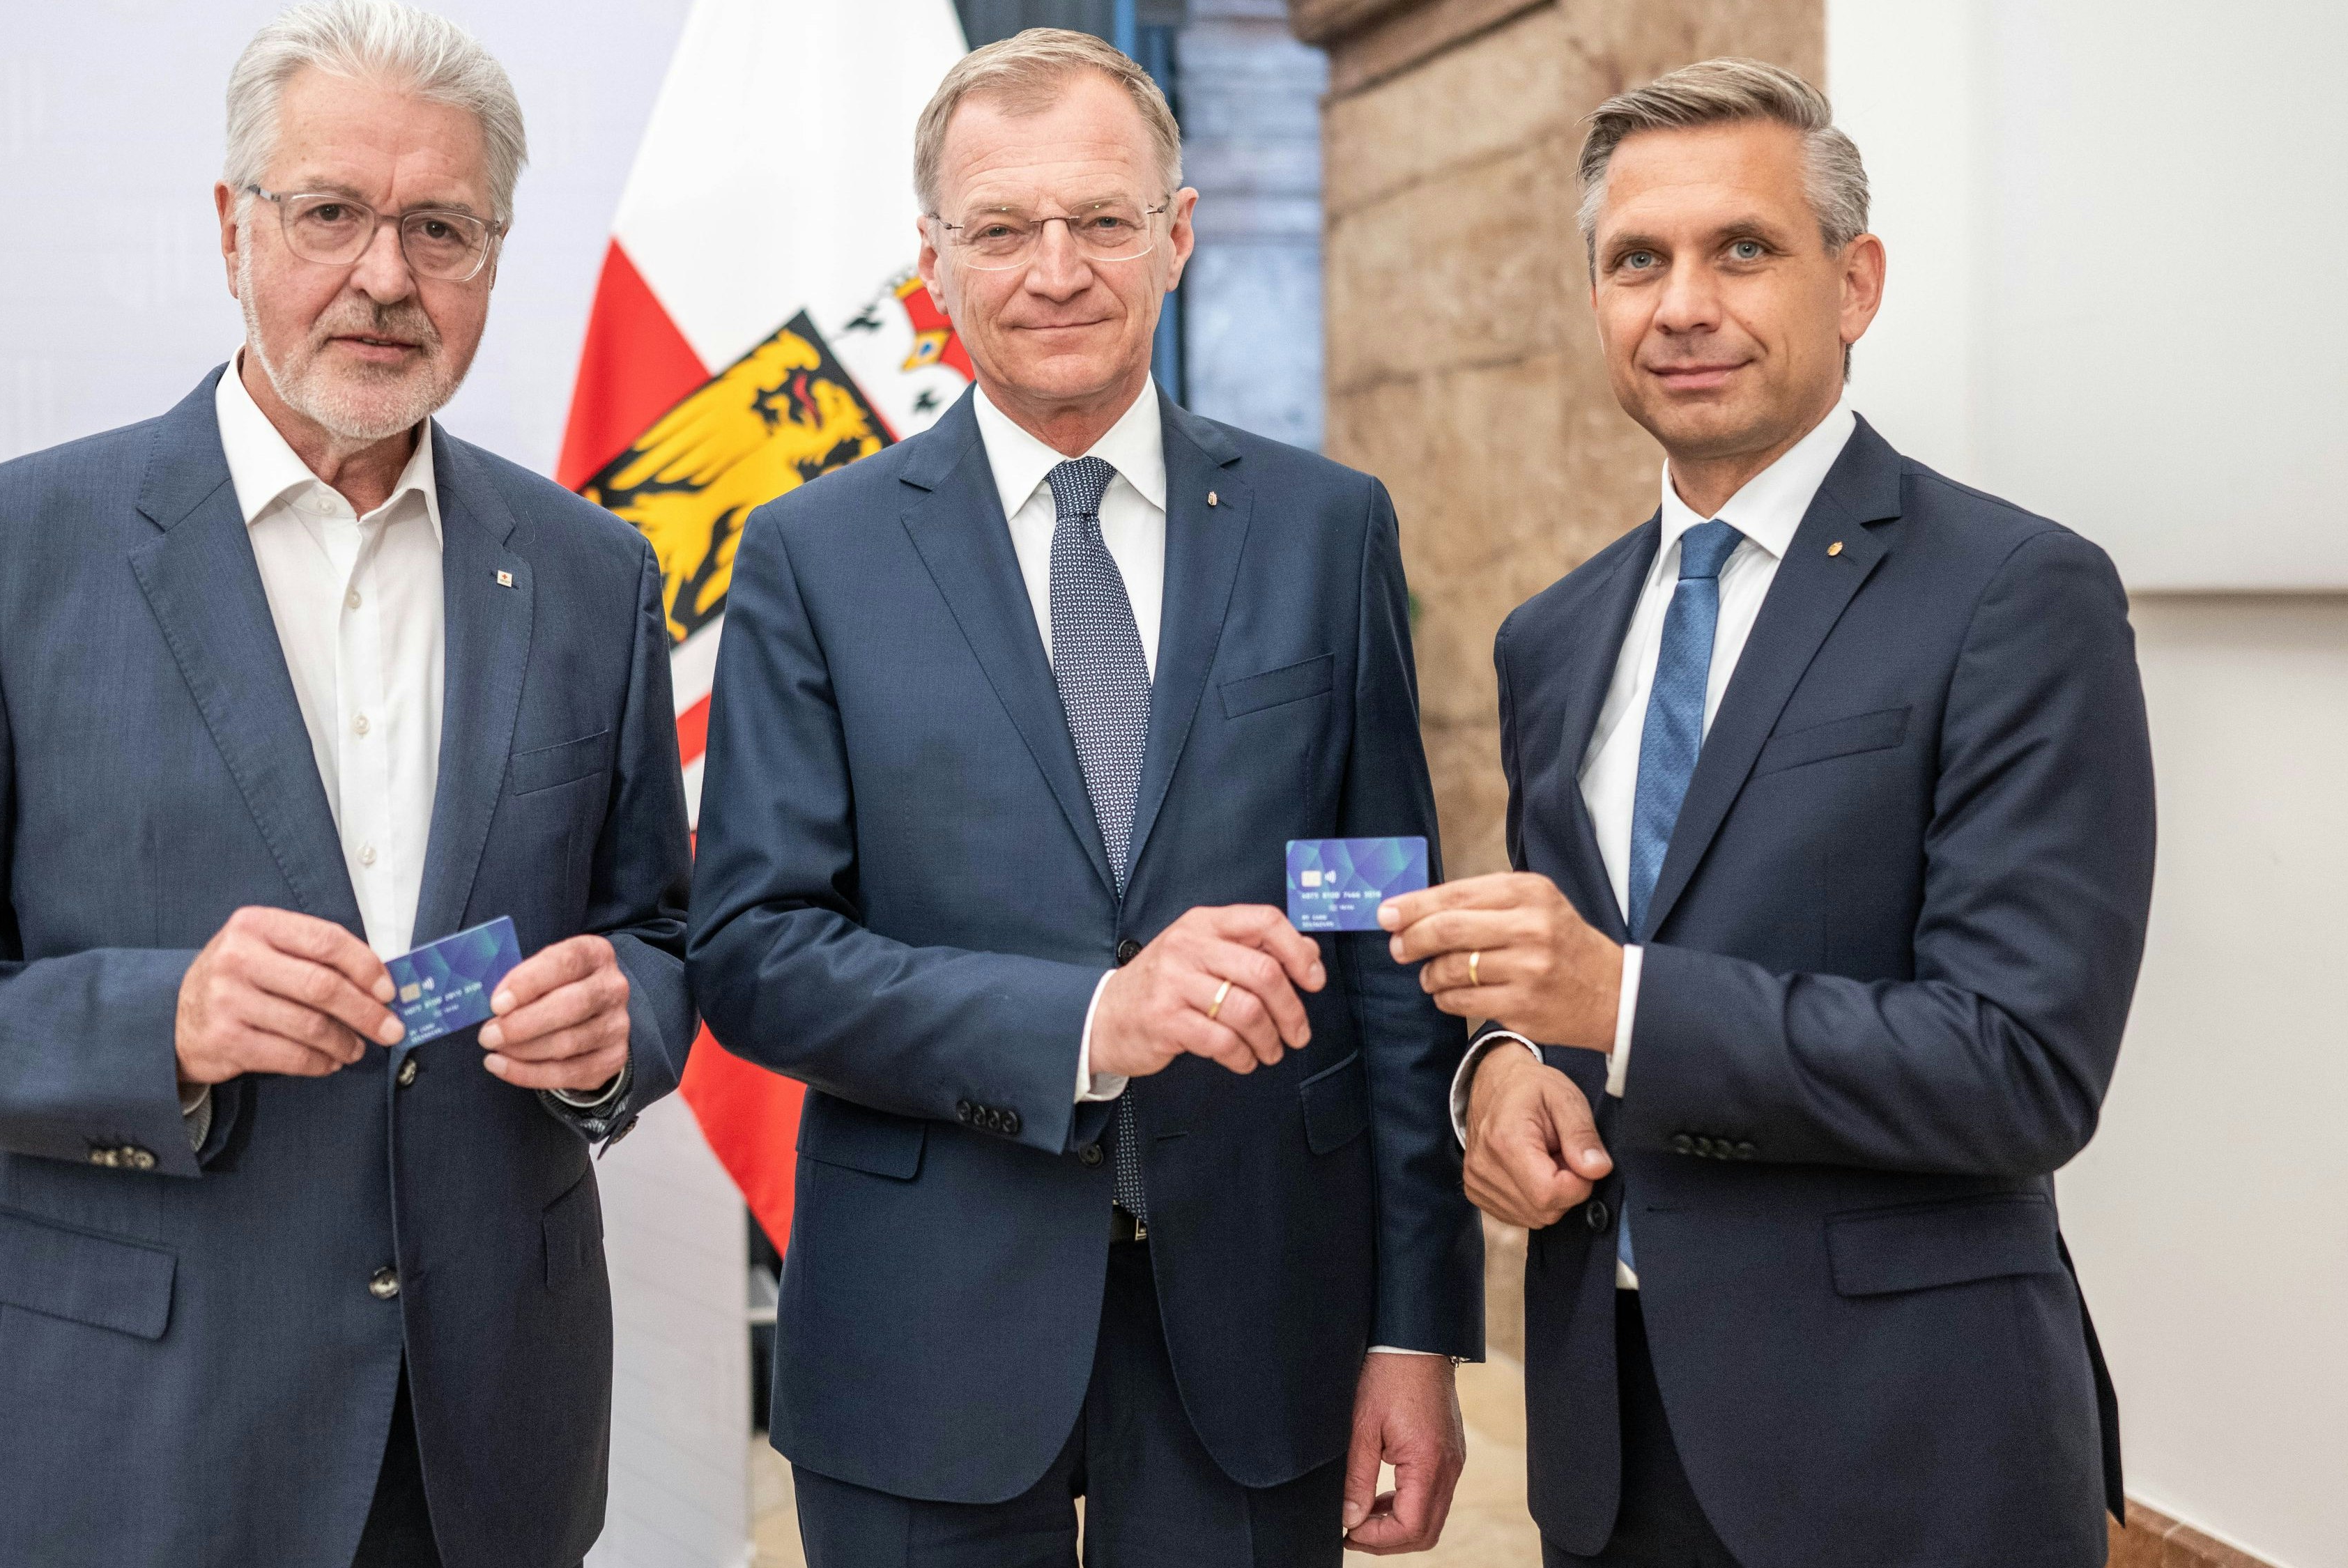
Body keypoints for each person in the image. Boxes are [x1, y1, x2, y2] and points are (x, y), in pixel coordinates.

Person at [0, 3, 692, 1563]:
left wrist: (621, 1031)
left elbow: (661, 944)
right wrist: (165, 1025)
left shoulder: (593, 573)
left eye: (441, 228)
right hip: (142, 1435)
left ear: (493, 252)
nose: (385, 276)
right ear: (232, 227)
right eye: (331, 212)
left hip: (487, 1434)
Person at [689, 29, 1482, 1567]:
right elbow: (755, 954)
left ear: (1176, 234)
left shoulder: (1327, 532)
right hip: (922, 1335)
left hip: (1258, 1332)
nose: (1055, 268)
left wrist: (1414, 1327)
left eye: (1102, 220)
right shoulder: (809, 557)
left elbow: (1383, 944)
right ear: (931, 259)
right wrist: (1085, 1024)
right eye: (1000, 228)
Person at [1374, 58, 2152, 1568]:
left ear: (1851, 284)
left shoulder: (2011, 594)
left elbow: (2020, 1064)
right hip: (1608, 1448)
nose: (1681, 304)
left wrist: (1621, 1002)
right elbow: (1570, 991)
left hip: (1906, 1452)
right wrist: (1501, 1072)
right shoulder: (1552, 634)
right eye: (1634, 261)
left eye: (1741, 249)